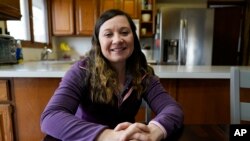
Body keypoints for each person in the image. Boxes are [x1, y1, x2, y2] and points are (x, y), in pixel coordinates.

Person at [40, 9, 183, 141]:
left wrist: (154, 130)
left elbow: (172, 108)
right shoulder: (81, 71)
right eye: (108, 34)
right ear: (98, 42)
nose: (117, 40)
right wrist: (109, 135)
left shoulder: (143, 74)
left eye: (124, 32)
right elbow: (51, 117)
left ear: (134, 37)